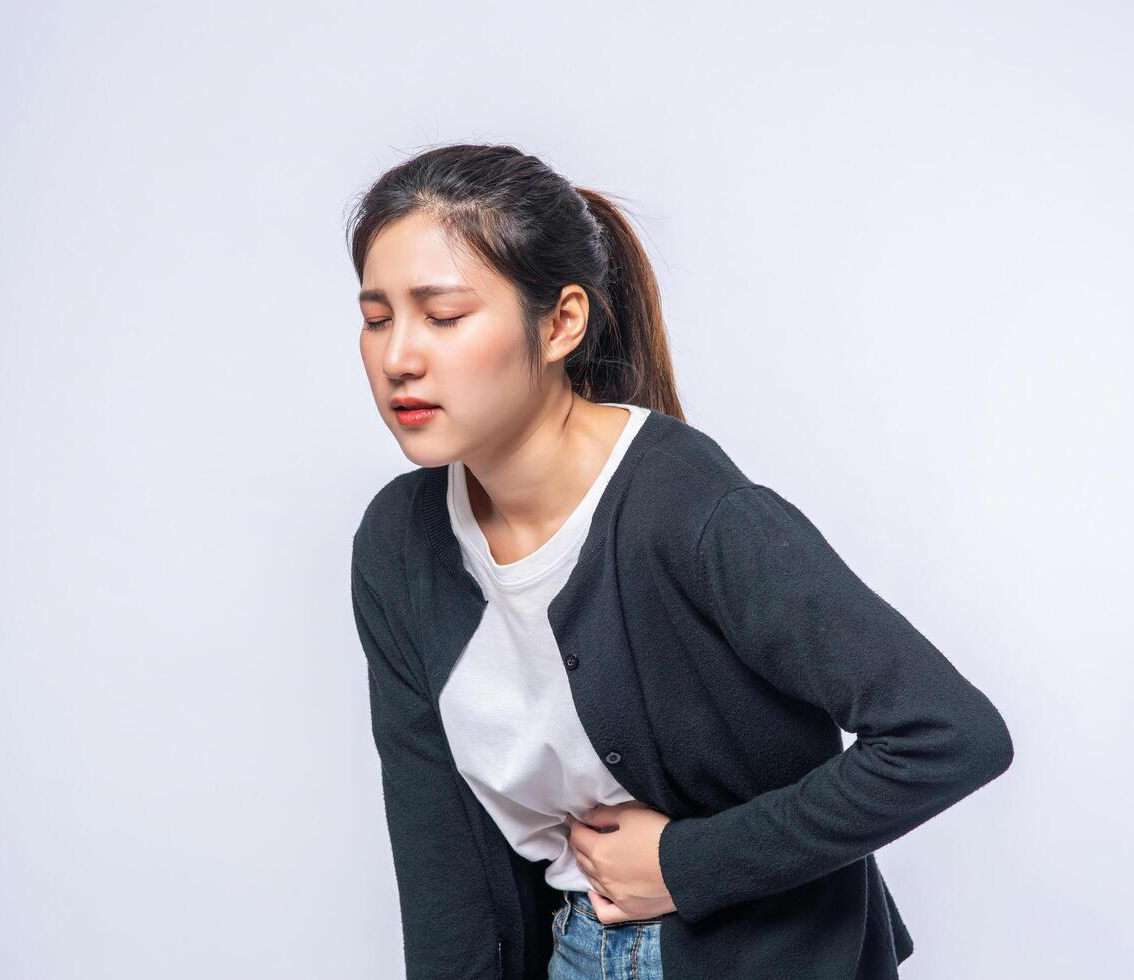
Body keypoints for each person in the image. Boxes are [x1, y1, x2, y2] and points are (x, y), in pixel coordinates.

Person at [345, 143, 1014, 980]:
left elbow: (950, 734)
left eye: (442, 316)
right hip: (576, 949)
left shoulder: (684, 510)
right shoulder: (398, 543)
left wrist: (688, 863)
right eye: (376, 318)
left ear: (559, 323)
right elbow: (441, 856)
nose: (399, 356)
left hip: (767, 959)